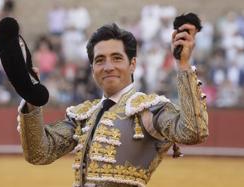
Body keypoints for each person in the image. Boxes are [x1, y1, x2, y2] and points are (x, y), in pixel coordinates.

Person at [17, 23, 208, 187]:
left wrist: (183, 66)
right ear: (92, 69)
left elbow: (193, 131)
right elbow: (39, 153)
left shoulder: (148, 109)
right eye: (100, 60)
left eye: (117, 58)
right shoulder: (84, 116)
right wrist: (31, 96)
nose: (108, 66)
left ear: (132, 64)